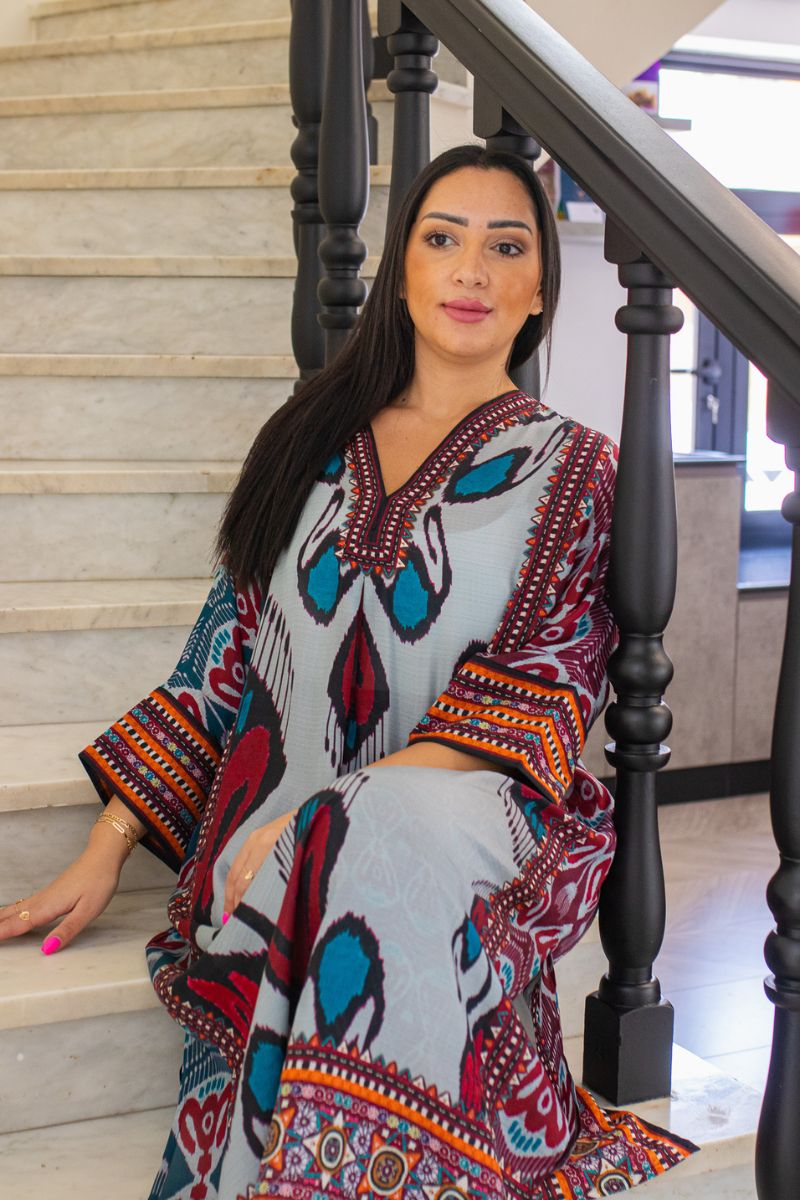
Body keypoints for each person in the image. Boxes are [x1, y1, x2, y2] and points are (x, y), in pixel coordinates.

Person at [0, 144, 695, 1199]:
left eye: (506, 248)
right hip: (269, 855)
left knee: (382, 831)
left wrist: (328, 816)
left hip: (458, 826)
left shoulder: (578, 470)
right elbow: (222, 661)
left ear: (539, 292)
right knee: (339, 847)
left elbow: (545, 693)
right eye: (442, 239)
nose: (471, 270)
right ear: (402, 272)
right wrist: (108, 845)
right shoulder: (306, 438)